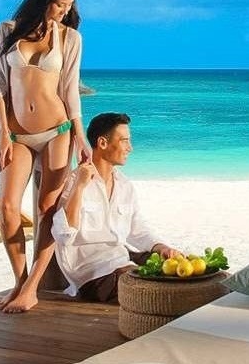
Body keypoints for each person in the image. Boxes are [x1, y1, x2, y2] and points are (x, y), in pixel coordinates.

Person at [0, 0, 93, 313]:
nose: (63, 11)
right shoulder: (7, 31)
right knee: (8, 208)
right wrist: (2, 136)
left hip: (57, 130)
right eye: (58, 5)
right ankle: (19, 278)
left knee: (48, 208)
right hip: (17, 134)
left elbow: (70, 91)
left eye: (67, 6)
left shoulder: (70, 39)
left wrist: (81, 135)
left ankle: (32, 288)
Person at [53, 112, 182, 302]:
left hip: (122, 259)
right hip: (92, 273)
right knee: (159, 291)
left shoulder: (124, 185)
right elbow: (63, 235)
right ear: (103, 143)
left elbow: (137, 230)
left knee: (184, 268)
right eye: (124, 141)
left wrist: (160, 247)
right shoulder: (75, 182)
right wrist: (80, 186)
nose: (130, 148)